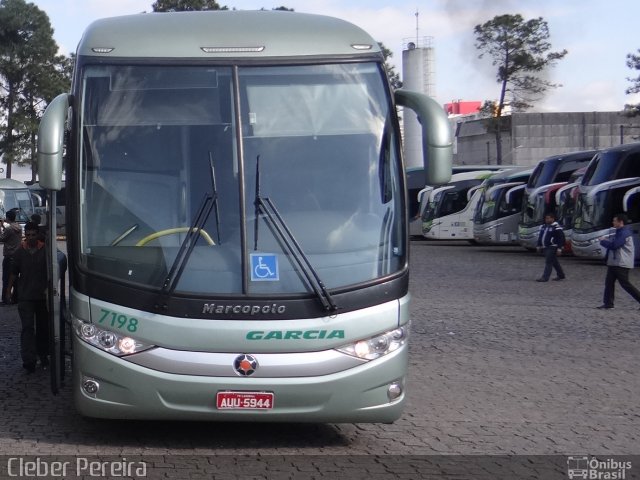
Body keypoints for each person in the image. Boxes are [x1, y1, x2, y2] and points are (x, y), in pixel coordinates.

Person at [6, 222, 49, 373]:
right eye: (28, 234)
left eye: (33, 234)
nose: (30, 237)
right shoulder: (20, 251)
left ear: (38, 235)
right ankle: (29, 359)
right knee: (27, 328)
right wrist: (9, 291)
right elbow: (13, 272)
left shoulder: (46, 251)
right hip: (25, 296)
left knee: (43, 327)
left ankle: (43, 354)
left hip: (42, 296)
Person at [596, 213, 640, 310]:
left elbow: (615, 245)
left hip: (621, 263)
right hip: (615, 262)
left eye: (614, 220)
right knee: (609, 283)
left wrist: (603, 241)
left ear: (620, 222)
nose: (613, 222)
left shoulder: (624, 233)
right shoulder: (620, 232)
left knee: (625, 284)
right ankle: (608, 303)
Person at [0, 209, 23, 304]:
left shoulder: (9, 229)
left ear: (8, 218)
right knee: (15, 278)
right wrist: (3, 226)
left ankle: (5, 299)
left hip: (9, 255)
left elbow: (2, 238)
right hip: (17, 255)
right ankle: (15, 298)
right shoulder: (18, 227)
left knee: (6, 278)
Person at [535, 211, 566, 282]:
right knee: (554, 262)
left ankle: (545, 277)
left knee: (548, 261)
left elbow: (561, 238)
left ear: (553, 219)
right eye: (546, 218)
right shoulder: (544, 226)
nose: (547, 220)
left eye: (548, 218)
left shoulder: (557, 227)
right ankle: (561, 275)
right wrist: (538, 245)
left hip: (552, 246)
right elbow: (540, 236)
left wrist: (559, 248)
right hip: (545, 246)